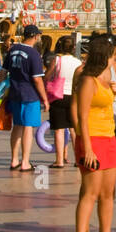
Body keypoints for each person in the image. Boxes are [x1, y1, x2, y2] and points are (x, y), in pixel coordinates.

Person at [69, 35, 116, 232]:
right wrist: (87, 148)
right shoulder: (87, 80)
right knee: (89, 192)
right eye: (113, 55)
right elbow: (81, 117)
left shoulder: (108, 75)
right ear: (105, 55)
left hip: (109, 136)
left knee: (108, 193)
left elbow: (114, 102)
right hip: (91, 138)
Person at [3, 24, 49, 172]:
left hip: (14, 93)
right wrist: (45, 98)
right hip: (29, 94)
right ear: (35, 36)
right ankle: (25, 162)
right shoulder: (33, 54)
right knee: (28, 126)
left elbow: (3, 72)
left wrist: (3, 90)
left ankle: (14, 159)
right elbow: (37, 79)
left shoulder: (13, 50)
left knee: (17, 126)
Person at [44, 36, 80, 168]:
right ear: (73, 48)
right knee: (74, 129)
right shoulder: (78, 62)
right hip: (73, 97)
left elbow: (47, 76)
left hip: (58, 96)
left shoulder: (57, 60)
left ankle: (59, 161)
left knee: (59, 130)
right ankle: (78, 159)